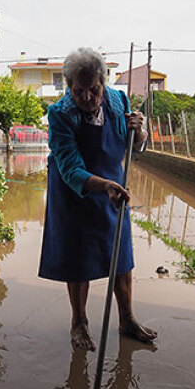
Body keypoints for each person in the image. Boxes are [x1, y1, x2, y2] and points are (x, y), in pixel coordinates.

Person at [39, 47, 157, 351]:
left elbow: (135, 147)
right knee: (79, 257)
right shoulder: (60, 114)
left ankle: (127, 319)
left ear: (103, 83)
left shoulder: (119, 101)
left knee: (121, 254)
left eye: (94, 89)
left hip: (113, 187)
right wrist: (102, 185)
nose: (89, 97)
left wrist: (139, 132)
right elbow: (69, 167)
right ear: (69, 87)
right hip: (74, 190)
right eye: (80, 91)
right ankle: (79, 322)